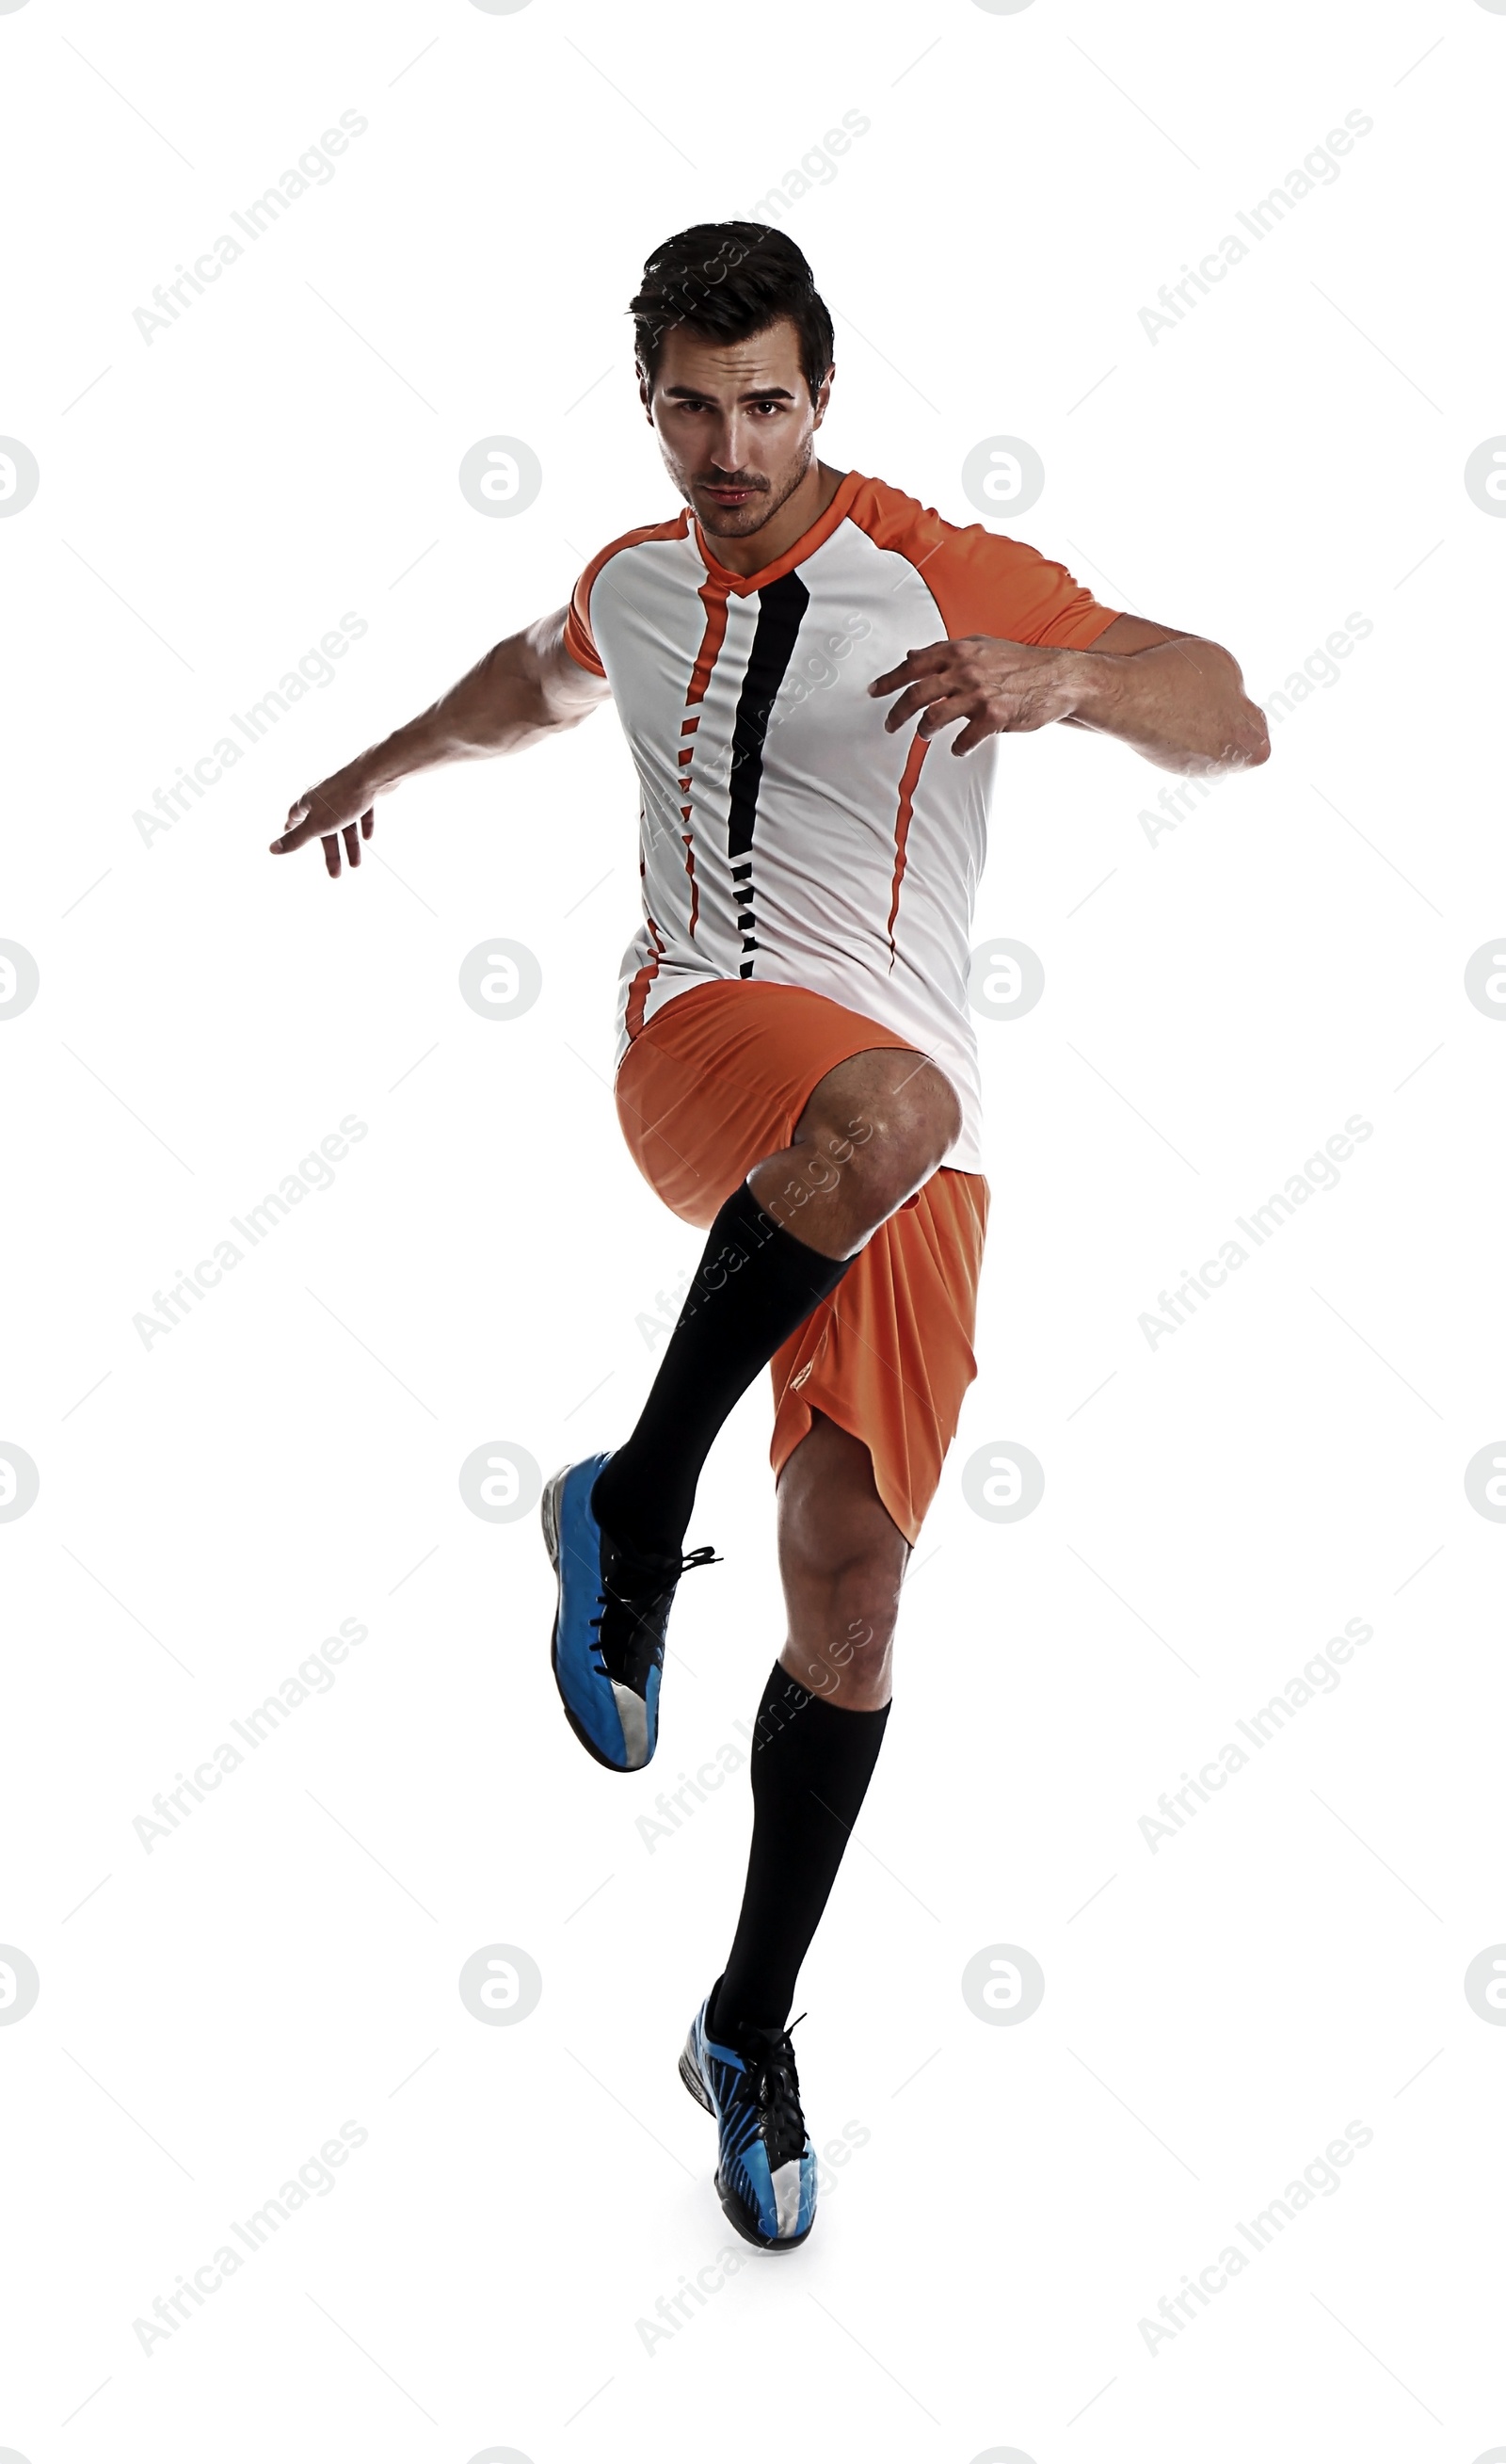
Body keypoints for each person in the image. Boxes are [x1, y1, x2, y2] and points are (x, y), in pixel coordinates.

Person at [271, 220, 1270, 2252]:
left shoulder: (932, 568)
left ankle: (741, 2024)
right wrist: (375, 759)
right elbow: (529, 684)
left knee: (850, 1596)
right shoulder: (636, 582)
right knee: (870, 1101)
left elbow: (1229, 710)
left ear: (823, 394)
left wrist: (1065, 681)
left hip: (925, 1151)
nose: (727, 442)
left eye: (765, 401)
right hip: (708, 1049)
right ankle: (629, 1512)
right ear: (641, 399)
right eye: (690, 405)